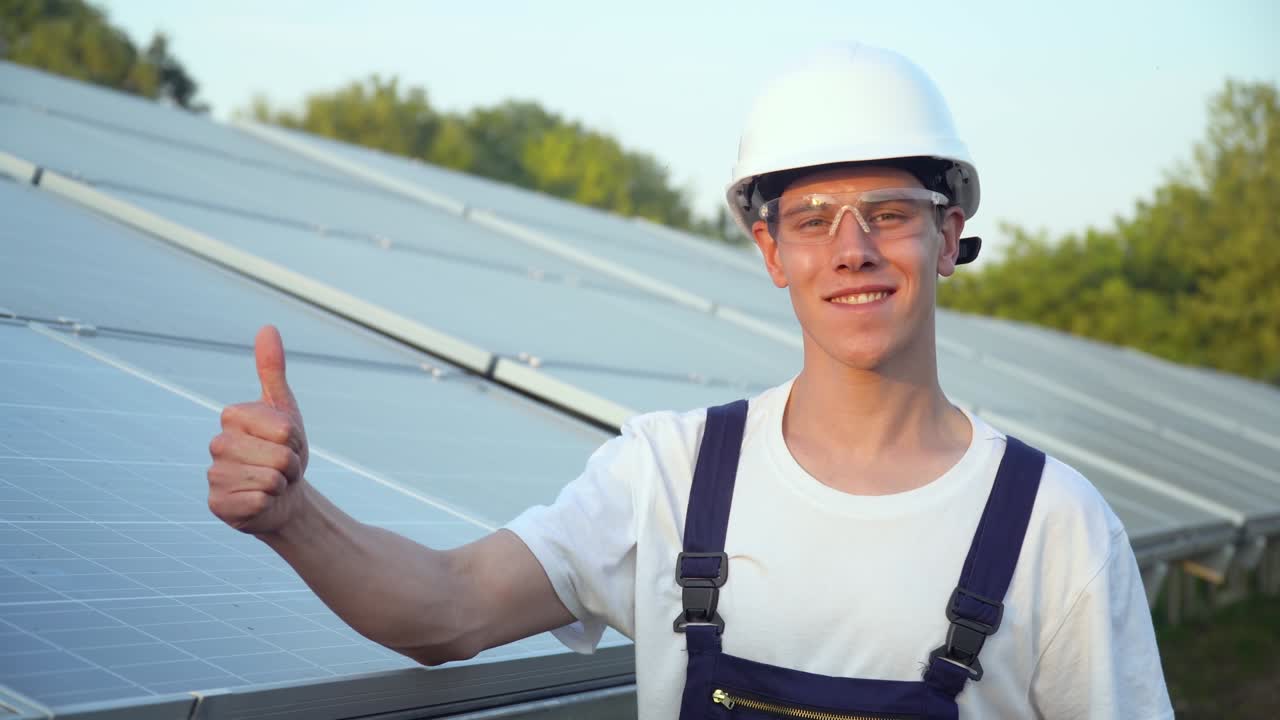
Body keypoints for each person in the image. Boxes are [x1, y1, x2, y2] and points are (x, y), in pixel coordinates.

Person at [207, 44, 1174, 718]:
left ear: (948, 236)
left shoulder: (1055, 526)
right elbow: (447, 609)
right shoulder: (669, 475)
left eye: (889, 211)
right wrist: (295, 516)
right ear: (770, 250)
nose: (853, 250)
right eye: (813, 219)